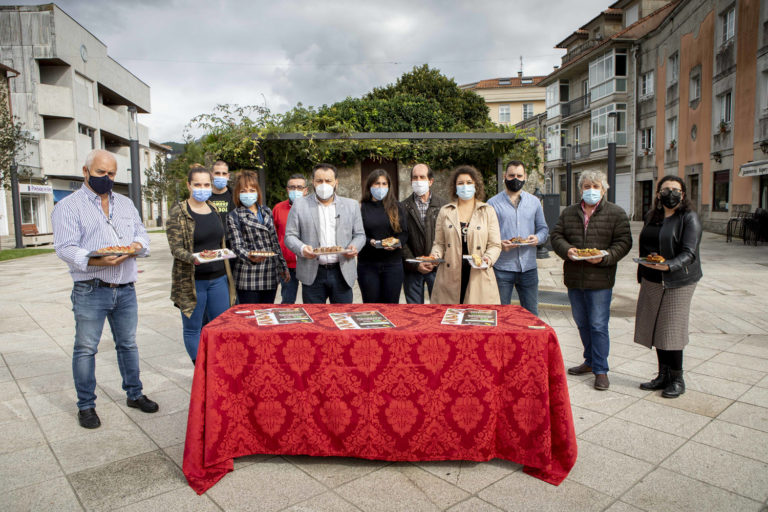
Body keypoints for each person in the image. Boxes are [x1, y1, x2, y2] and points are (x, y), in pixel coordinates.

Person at [51, 149, 158, 429]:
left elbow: (141, 234)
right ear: (85, 172)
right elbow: (65, 248)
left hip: (125, 287)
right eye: (101, 173)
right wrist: (97, 259)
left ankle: (134, 394)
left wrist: (136, 246)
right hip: (90, 288)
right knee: (86, 348)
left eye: (111, 174)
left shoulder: (125, 203)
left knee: (128, 344)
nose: (107, 178)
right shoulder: (68, 206)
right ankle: (86, 405)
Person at [550, 170, 632, 391]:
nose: (591, 190)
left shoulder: (616, 213)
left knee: (598, 325)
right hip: (575, 278)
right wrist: (567, 251)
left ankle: (601, 369)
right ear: (580, 190)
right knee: (582, 323)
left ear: (604, 190)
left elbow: (624, 242)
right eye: (587, 186)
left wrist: (605, 257)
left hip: (600, 279)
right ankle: (589, 361)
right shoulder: (569, 213)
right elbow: (556, 236)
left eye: (596, 187)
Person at [634, 175, 702, 398]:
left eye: (675, 190)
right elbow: (647, 245)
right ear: (658, 194)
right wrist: (647, 265)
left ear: (682, 194)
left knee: (671, 328)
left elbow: (689, 253)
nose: (670, 193)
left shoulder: (688, 217)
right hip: (652, 277)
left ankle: (677, 378)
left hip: (678, 280)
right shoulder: (652, 216)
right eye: (665, 189)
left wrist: (669, 266)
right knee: (655, 326)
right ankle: (663, 375)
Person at [167, 164, 235, 363]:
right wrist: (194, 258)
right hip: (193, 281)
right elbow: (175, 248)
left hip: (218, 278)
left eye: (206, 184)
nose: (202, 188)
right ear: (189, 185)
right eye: (198, 184)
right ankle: (201, 371)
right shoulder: (178, 212)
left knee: (220, 327)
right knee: (193, 329)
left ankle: (217, 369)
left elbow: (219, 241)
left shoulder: (213, 208)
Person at [284, 163, 366, 304]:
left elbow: (360, 235)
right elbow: (290, 236)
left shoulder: (351, 206)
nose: (324, 185)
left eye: (328, 181)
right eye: (319, 181)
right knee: (315, 320)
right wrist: (303, 249)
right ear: (313, 182)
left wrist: (354, 247)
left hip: (342, 271)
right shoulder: (300, 205)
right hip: (312, 273)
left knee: (343, 318)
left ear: (336, 183)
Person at [428, 165, 501, 304]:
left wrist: (487, 259)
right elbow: (439, 244)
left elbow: (495, 244)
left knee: (475, 322)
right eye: (460, 183)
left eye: (469, 182)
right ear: (455, 187)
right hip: (450, 277)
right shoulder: (445, 211)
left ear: (476, 185)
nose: (465, 186)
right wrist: (434, 256)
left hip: (479, 275)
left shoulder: (487, 211)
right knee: (449, 321)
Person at [487, 160, 548, 315]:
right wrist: (500, 244)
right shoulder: (492, 203)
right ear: (504, 176)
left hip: (528, 268)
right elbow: (486, 235)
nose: (516, 179)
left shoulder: (534, 202)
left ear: (525, 177)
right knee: (500, 315)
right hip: (502, 268)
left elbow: (543, 229)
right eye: (512, 175)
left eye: (519, 175)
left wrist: (538, 238)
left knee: (531, 315)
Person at [227, 170, 289, 304]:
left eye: (251, 190)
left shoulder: (266, 211)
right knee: (250, 317)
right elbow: (237, 246)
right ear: (237, 193)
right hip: (248, 275)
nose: (248, 194)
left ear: (257, 191)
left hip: (270, 274)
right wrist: (250, 257)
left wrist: (282, 266)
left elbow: (274, 241)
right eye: (243, 191)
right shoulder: (234, 215)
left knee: (266, 315)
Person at [358, 169, 409, 303]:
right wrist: (371, 242)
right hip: (368, 265)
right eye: (376, 184)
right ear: (370, 186)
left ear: (389, 186)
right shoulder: (361, 207)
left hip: (393, 265)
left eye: (384, 184)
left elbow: (404, 233)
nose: (380, 187)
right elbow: (358, 234)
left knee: (391, 307)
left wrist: (397, 243)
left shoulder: (398, 207)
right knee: (371, 307)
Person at [401, 163, 447, 304]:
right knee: (414, 312)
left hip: (437, 267)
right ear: (410, 181)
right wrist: (416, 264)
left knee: (438, 310)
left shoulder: (443, 206)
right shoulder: (402, 207)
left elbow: (448, 237)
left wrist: (433, 259)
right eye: (415, 178)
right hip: (412, 268)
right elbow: (401, 239)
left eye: (422, 177)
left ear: (430, 181)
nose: (418, 181)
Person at [272, 174, 308, 304]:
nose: (296, 190)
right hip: (286, 264)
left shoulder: (313, 209)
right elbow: (273, 236)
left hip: (308, 263)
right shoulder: (278, 208)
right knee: (287, 301)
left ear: (306, 190)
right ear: (287, 189)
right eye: (292, 187)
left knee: (311, 301)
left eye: (299, 187)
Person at [208, 160, 236, 225]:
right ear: (211, 175)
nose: (221, 176)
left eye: (224, 174)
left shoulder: (235, 197)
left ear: (228, 176)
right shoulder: (204, 197)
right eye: (217, 173)